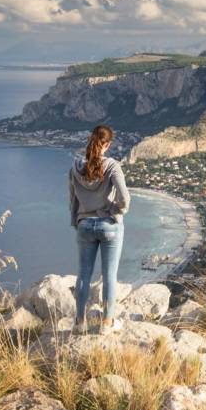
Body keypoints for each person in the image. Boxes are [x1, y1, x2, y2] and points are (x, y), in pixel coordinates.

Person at [69, 124, 130, 334]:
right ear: (108, 144)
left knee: (84, 275)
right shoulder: (112, 165)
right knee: (109, 276)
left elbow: (73, 201)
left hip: (84, 225)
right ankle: (107, 323)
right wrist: (113, 210)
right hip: (109, 225)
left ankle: (80, 322)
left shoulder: (76, 167)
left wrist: (77, 221)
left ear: (90, 140)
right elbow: (125, 199)